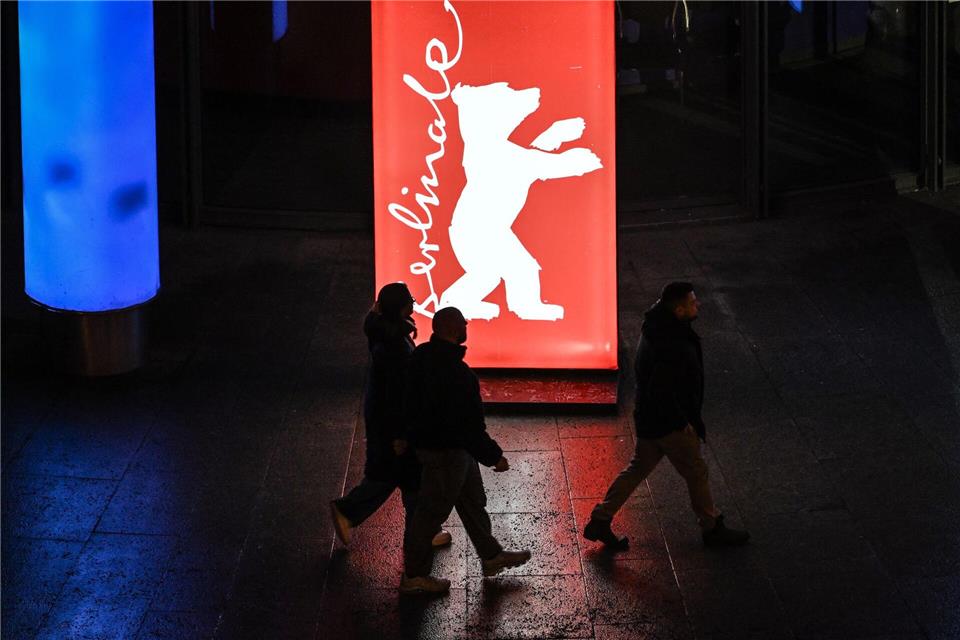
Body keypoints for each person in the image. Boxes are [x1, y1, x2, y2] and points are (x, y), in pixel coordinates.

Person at [583, 282, 749, 549]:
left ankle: (601, 518)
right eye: (692, 302)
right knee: (696, 471)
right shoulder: (671, 342)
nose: (698, 305)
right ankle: (711, 526)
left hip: (649, 419)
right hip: (669, 424)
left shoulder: (657, 326)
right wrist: (682, 422)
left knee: (638, 468)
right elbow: (662, 387)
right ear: (679, 309)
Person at [398, 306, 531, 595]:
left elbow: (405, 401)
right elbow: (470, 427)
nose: (467, 327)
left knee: (471, 501)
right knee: (430, 515)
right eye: (463, 324)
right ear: (455, 330)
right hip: (447, 453)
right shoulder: (460, 375)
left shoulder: (420, 356)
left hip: (437, 448)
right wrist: (494, 456)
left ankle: (491, 555)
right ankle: (415, 576)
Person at [330, 282, 451, 550]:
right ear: (401, 308)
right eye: (410, 300)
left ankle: (419, 529)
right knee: (403, 477)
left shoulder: (382, 331)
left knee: (395, 476)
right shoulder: (396, 347)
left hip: (383, 420)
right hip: (394, 425)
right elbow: (399, 394)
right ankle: (418, 532)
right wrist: (401, 434)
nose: (414, 303)